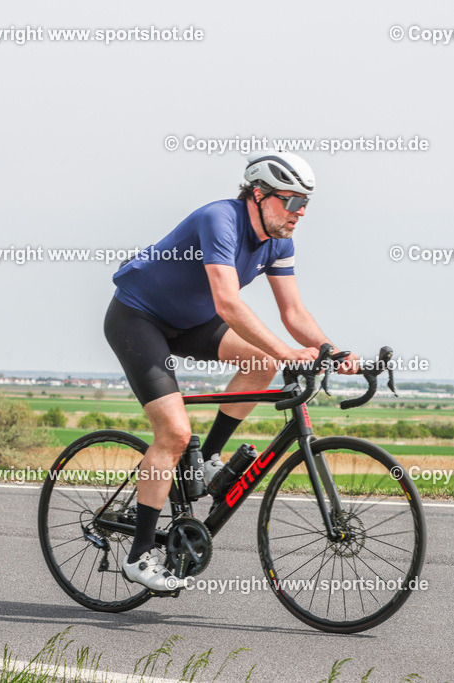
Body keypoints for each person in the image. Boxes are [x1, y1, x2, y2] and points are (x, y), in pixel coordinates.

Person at [104, 150, 359, 591]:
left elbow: (294, 311)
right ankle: (140, 555)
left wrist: (330, 350)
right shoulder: (220, 219)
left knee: (259, 364)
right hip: (138, 318)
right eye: (291, 201)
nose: (299, 213)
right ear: (258, 194)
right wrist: (284, 352)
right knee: (174, 433)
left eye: (305, 204)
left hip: (190, 322)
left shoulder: (279, 241)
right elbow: (227, 302)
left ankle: (204, 461)